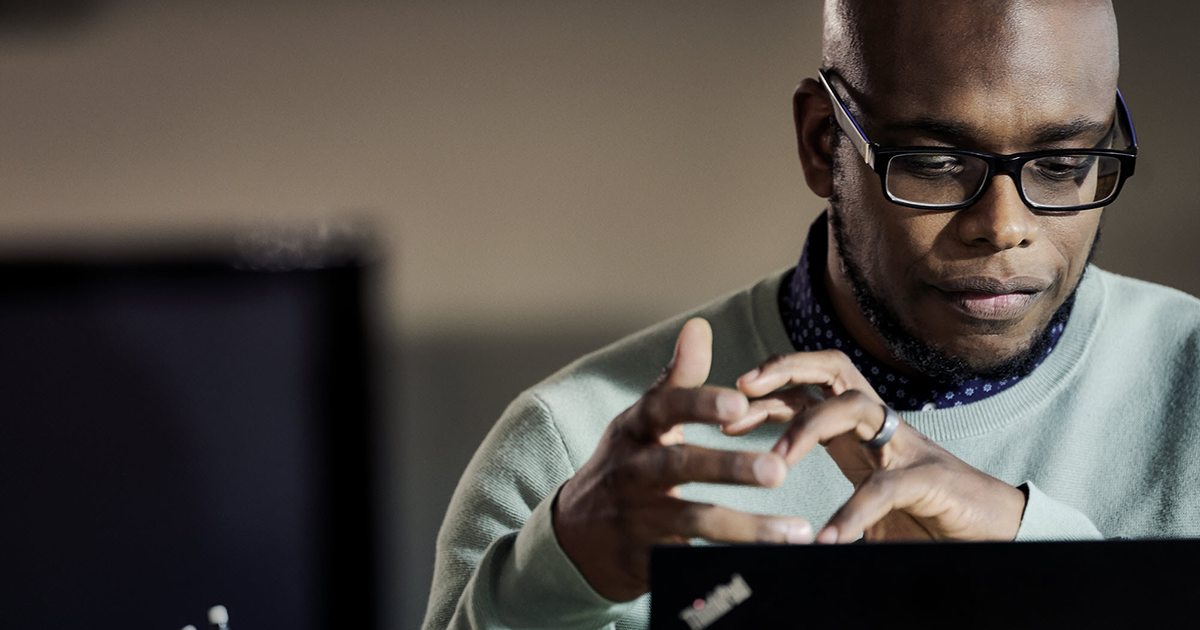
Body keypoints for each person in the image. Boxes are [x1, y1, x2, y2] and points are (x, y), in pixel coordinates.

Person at [423, 1, 1200, 628]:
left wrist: (1029, 549)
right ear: (821, 139)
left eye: (1063, 165)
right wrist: (554, 579)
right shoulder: (578, 456)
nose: (1004, 225)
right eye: (934, 162)